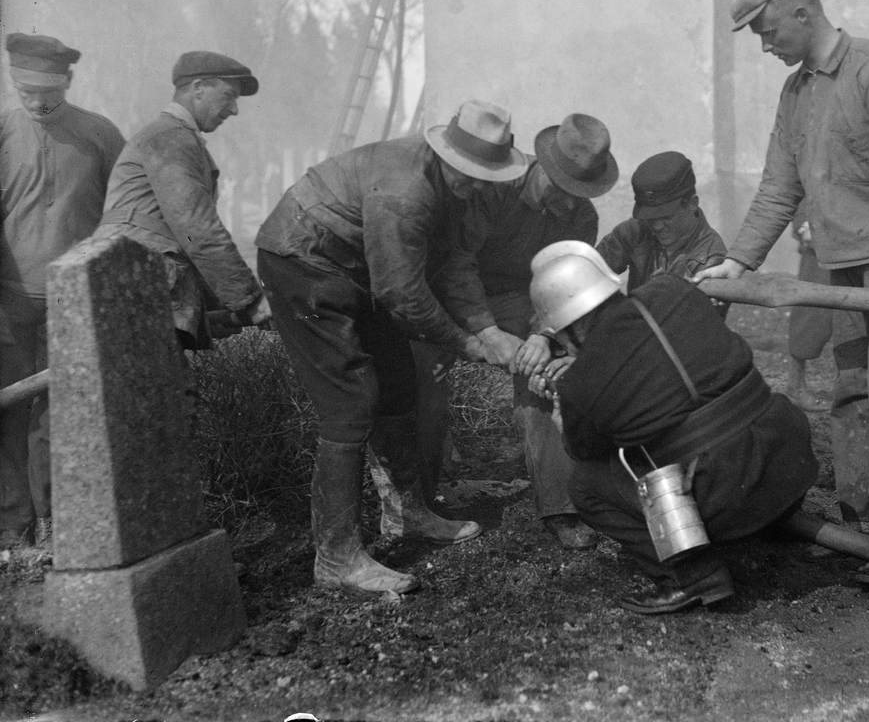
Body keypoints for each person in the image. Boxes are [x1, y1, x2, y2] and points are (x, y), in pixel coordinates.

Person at [695, 0, 869, 589]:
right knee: (852, 393)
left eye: (767, 31)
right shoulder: (797, 92)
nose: (764, 45)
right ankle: (858, 528)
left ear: (803, 13)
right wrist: (739, 259)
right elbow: (778, 186)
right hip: (842, 266)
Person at [255, 100, 527, 597]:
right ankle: (337, 557)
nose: (474, 186)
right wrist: (465, 342)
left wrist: (489, 331)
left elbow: (455, 264)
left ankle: (408, 514)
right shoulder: (406, 190)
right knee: (350, 403)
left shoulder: (470, 192)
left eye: (485, 177)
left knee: (399, 383)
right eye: (467, 174)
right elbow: (401, 292)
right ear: (444, 155)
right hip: (305, 258)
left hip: (360, 266)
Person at [529, 243, 819, 614]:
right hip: (789, 459)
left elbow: (589, 452)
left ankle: (694, 577)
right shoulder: (673, 289)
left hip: (725, 497)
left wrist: (565, 416)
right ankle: (773, 521)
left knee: (587, 486)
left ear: (568, 328)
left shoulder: (579, 384)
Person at [438, 113, 618, 550]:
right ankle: (422, 499)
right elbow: (457, 263)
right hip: (457, 293)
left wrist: (544, 334)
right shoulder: (496, 189)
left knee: (548, 371)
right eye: (563, 188)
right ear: (542, 168)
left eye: (581, 194)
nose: (571, 204)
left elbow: (564, 289)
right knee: (422, 378)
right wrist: (487, 331)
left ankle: (560, 505)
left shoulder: (581, 217)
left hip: (524, 302)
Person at [0, 34, 125, 553]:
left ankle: (54, 520)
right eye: (25, 90)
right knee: (8, 411)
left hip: (74, 302)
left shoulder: (99, 134)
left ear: (68, 82)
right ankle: (13, 526)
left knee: (59, 414)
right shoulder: (3, 132)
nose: (36, 101)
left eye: (47, 91)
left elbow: (123, 213)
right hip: (8, 303)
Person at [96, 51, 271, 351]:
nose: (234, 110)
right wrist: (251, 300)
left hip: (136, 277)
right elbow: (197, 230)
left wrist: (214, 307)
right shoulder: (170, 138)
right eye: (229, 95)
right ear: (198, 88)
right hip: (136, 281)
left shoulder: (174, 137)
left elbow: (182, 236)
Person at [595, 151, 726, 295]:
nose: (657, 226)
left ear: (692, 204)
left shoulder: (711, 260)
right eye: (650, 217)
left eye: (666, 217)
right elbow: (590, 272)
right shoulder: (636, 230)